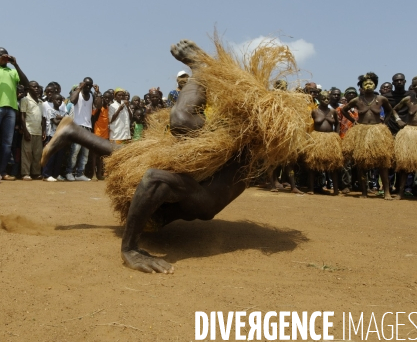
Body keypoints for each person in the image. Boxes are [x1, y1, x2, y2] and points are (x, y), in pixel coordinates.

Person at [42, 38, 312, 273]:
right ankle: (200, 67)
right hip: (227, 145)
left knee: (143, 155)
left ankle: (74, 133)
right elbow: (153, 181)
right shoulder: (199, 199)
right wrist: (130, 248)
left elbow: (151, 181)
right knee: (179, 122)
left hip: (229, 149)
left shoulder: (196, 195)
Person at [341, 73, 394, 199]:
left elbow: (390, 110)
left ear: (375, 84)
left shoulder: (381, 99)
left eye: (371, 83)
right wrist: (353, 121)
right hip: (362, 132)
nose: (368, 85)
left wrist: (384, 123)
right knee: (361, 162)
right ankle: (364, 192)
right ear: (362, 86)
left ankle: (387, 192)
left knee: (382, 161)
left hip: (377, 132)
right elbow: (344, 110)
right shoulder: (357, 100)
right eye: (366, 84)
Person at [0, 47, 29, 179]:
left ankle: (2, 171)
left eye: (5, 55)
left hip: (11, 109)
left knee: (7, 143)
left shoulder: (12, 71)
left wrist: (16, 65)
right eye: (1, 55)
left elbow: (26, 83)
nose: (4, 57)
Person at [303, 91, 342, 195]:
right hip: (317, 138)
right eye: (324, 98)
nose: (326, 100)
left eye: (327, 98)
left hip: (330, 138)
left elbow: (337, 124)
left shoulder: (333, 111)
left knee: (332, 164)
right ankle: (311, 188)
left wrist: (337, 135)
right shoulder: (314, 111)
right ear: (319, 99)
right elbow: (307, 123)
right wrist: (308, 136)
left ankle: (336, 189)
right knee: (313, 164)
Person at [65, 77, 102, 181]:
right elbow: (72, 100)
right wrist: (79, 88)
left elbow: (98, 106)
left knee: (85, 153)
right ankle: (69, 172)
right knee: (75, 151)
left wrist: (98, 92)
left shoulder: (91, 95)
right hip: (77, 126)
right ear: (82, 84)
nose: (88, 87)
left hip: (88, 127)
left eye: (90, 85)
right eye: (86, 85)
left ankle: (79, 173)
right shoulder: (78, 93)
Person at [20, 81, 46, 180]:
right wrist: (25, 130)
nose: (36, 88)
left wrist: (43, 130)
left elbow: (43, 118)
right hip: (29, 130)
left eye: (37, 87)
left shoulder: (41, 102)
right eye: (34, 87)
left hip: (38, 131)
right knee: (27, 153)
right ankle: (25, 173)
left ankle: (36, 173)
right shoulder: (25, 100)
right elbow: (22, 116)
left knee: (37, 153)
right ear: (28, 89)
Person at [87, 90, 112, 180]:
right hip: (97, 135)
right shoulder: (98, 109)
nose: (107, 99)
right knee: (94, 156)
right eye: (105, 97)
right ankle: (93, 174)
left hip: (105, 136)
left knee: (101, 157)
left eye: (109, 98)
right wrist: (97, 92)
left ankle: (99, 174)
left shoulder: (108, 109)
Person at [42, 93, 67, 181]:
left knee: (59, 157)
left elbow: (68, 122)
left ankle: (56, 174)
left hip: (61, 137)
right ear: (52, 100)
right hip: (52, 136)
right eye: (57, 99)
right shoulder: (50, 111)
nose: (59, 101)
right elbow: (55, 122)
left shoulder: (63, 112)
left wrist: (60, 118)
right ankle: (46, 175)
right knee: (51, 156)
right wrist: (62, 118)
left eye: (60, 100)